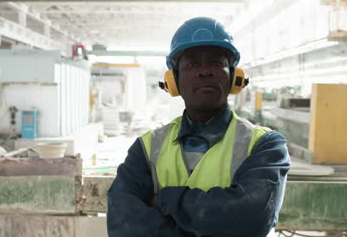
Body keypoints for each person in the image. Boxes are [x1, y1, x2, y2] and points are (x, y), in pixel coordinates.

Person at [107, 16, 290, 237]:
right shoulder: (147, 148)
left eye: (216, 63)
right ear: (174, 81)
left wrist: (166, 199)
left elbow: (253, 218)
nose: (205, 71)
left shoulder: (265, 145)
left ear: (234, 77)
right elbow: (123, 225)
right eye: (192, 63)